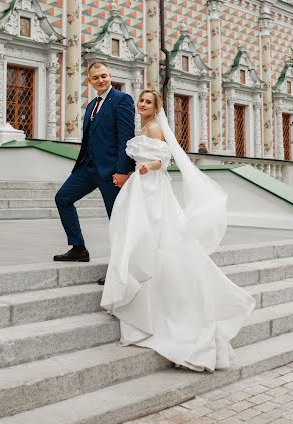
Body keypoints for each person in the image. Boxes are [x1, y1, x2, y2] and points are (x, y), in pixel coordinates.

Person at [101, 89, 255, 371]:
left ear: (156, 106)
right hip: (140, 186)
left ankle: (145, 293)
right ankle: (133, 284)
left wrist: (147, 166)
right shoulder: (145, 126)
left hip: (151, 188)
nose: (142, 105)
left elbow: (163, 159)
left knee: (146, 236)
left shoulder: (156, 127)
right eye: (141, 101)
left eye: (147, 102)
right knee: (132, 234)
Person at [53, 62, 135, 279]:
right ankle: (79, 248)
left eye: (104, 76)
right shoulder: (91, 105)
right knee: (63, 198)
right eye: (96, 77)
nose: (101, 80)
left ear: (111, 76)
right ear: (89, 81)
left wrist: (122, 170)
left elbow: (125, 137)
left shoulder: (122, 100)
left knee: (116, 219)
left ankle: (120, 268)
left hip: (111, 171)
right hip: (88, 168)